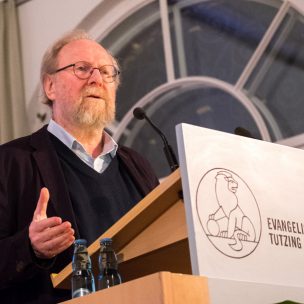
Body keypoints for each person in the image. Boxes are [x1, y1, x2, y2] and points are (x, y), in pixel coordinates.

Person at [0, 30, 159, 303]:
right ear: (50, 86)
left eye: (107, 72)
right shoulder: (10, 161)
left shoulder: (137, 166)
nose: (96, 79)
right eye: (82, 69)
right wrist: (29, 247)